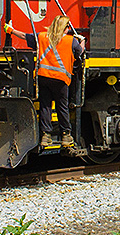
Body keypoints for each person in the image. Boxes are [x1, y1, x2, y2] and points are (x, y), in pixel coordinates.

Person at [5, 15, 85, 150]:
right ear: (65, 27)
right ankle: (66, 135)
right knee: (62, 107)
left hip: (43, 77)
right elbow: (80, 52)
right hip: (60, 79)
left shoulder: (42, 37)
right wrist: (82, 41)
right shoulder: (70, 40)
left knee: (45, 106)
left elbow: (24, 36)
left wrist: (10, 30)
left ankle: (45, 136)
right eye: (67, 27)